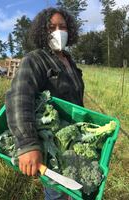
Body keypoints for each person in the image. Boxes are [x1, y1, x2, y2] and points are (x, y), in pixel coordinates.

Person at [5, 7, 84, 200]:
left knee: (76, 191)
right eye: (52, 27)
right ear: (43, 32)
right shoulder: (35, 60)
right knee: (57, 192)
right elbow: (19, 98)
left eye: (63, 27)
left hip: (72, 139)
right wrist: (28, 144)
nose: (58, 31)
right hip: (53, 144)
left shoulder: (69, 61)